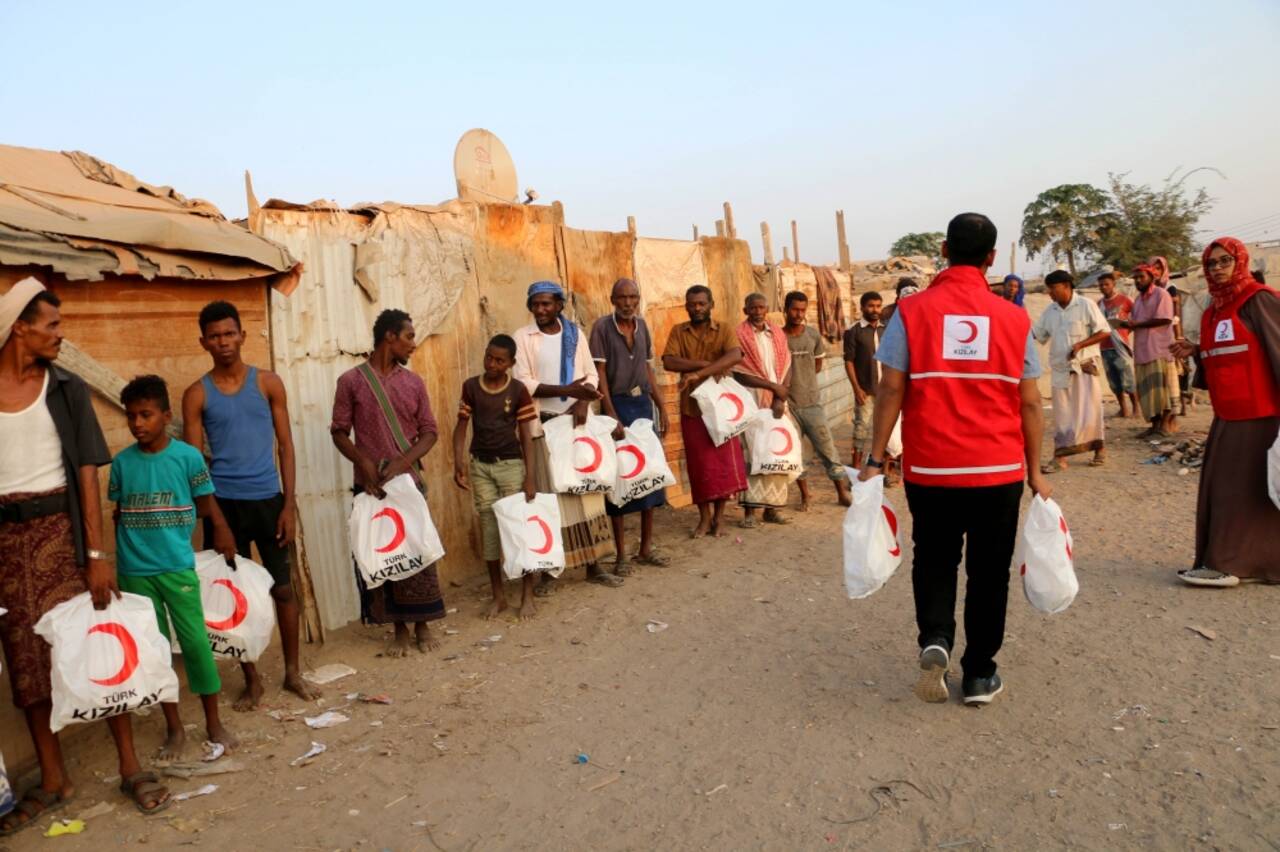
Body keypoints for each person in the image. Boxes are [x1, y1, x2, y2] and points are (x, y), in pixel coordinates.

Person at [859, 212, 1051, 707]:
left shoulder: (912, 312)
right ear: (991, 258)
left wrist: (876, 458)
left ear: (943, 250)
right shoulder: (1013, 318)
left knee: (936, 559)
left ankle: (936, 639)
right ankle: (980, 673)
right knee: (990, 571)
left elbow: (891, 388)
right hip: (998, 471)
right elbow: (1030, 401)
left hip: (933, 469)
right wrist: (1035, 471)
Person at [0, 280, 170, 833]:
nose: (60, 334)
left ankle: (129, 765)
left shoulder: (66, 387)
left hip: (59, 533)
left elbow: (88, 472)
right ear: (19, 327)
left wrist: (97, 555)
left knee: (98, 649)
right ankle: (53, 779)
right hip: (5, 545)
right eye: (51, 324)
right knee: (25, 664)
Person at [182, 301, 318, 711]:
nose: (223, 342)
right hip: (225, 507)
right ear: (204, 342)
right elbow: (194, 467)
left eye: (230, 333)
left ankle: (293, 672)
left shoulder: (268, 383)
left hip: (269, 502)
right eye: (215, 336)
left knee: (282, 588)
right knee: (235, 595)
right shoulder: (196, 394)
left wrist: (288, 505)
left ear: (242, 334)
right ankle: (252, 679)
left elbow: (286, 447)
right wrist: (217, 521)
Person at [110, 375, 238, 760]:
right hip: (135, 571)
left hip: (177, 567)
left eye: (145, 415)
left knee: (197, 643)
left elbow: (205, 503)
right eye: (131, 416)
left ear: (166, 415)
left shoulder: (188, 458)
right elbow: (118, 515)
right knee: (157, 649)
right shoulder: (121, 464)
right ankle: (174, 727)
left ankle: (213, 722)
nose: (137, 424)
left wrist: (221, 530)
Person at [330, 309, 446, 655]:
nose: (413, 344)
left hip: (406, 482)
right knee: (386, 553)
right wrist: (363, 463)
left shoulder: (414, 383)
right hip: (371, 484)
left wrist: (401, 463)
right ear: (389, 337)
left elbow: (430, 432)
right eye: (409, 337)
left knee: (418, 550)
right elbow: (338, 431)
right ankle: (398, 630)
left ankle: (423, 625)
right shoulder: (350, 381)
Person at [1172, 238, 1280, 588]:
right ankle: (1242, 561)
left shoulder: (1258, 299)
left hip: (1260, 417)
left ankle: (1231, 564)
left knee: (1245, 491)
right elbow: (1233, 351)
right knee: (1228, 489)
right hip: (1228, 417)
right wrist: (1197, 350)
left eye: (1224, 261)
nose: (1217, 268)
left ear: (1240, 262)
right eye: (1211, 263)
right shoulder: (1215, 309)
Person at [512, 282, 619, 593]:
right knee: (552, 498)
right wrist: (569, 391)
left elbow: (590, 375)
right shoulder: (523, 337)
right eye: (536, 304)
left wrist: (582, 401)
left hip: (576, 424)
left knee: (586, 493)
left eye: (547, 304)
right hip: (543, 428)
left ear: (559, 305)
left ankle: (594, 564)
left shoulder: (574, 334)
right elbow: (525, 385)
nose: (541, 310)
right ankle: (550, 571)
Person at [452, 334, 539, 618]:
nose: (492, 363)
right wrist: (459, 462)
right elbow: (462, 426)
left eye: (499, 360)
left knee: (517, 528)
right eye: (489, 357)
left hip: (511, 466)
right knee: (489, 530)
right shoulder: (471, 388)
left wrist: (530, 476)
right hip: (481, 467)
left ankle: (527, 595)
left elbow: (526, 435)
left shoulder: (518, 390)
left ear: (511, 363)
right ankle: (498, 596)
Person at [589, 278, 669, 573]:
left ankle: (646, 547)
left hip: (642, 405)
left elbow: (648, 369)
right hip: (618, 405)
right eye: (622, 297)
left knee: (649, 478)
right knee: (622, 480)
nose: (628, 303)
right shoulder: (601, 328)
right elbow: (599, 374)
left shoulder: (643, 325)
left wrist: (662, 406)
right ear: (612, 299)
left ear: (638, 299)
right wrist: (611, 416)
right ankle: (622, 555)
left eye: (633, 297)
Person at [661, 285, 746, 538]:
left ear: (711, 304)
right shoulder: (679, 331)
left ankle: (720, 518)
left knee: (722, 466)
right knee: (700, 467)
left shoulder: (724, 329)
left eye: (701, 303)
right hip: (693, 409)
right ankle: (704, 517)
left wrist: (698, 373)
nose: (697, 308)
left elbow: (735, 354)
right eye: (692, 304)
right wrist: (706, 364)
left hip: (722, 410)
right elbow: (669, 360)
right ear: (686, 306)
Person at [1032, 270, 1111, 471]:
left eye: (1053, 288)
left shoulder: (1086, 305)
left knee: (1090, 410)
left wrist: (1080, 345)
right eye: (1048, 289)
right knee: (1062, 414)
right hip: (1060, 369)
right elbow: (1037, 334)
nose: (1050, 293)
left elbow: (1104, 331)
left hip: (1084, 367)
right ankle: (1060, 458)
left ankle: (1099, 448)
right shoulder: (1050, 312)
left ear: (1066, 286)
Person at [782, 290, 851, 510]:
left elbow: (818, 365)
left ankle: (841, 493)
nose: (798, 314)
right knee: (797, 453)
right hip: (788, 406)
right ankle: (805, 496)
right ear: (786, 309)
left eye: (802, 310)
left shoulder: (812, 335)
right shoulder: (778, 338)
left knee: (828, 449)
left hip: (812, 403)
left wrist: (805, 380)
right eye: (794, 309)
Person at [733, 293, 794, 528]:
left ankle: (773, 509)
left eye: (761, 307)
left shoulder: (777, 333)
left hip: (777, 399)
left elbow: (788, 364)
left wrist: (781, 393)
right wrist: (771, 387)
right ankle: (749, 511)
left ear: (767, 309)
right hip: (752, 398)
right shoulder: (739, 334)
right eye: (753, 307)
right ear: (745, 309)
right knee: (752, 453)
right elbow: (738, 371)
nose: (758, 311)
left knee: (776, 451)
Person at [1120, 265, 1179, 437]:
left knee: (1162, 389)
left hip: (1159, 349)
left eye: (1141, 277)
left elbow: (1165, 319)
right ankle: (1154, 425)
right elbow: (1137, 321)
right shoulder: (1138, 300)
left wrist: (1137, 324)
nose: (1138, 280)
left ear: (1151, 277)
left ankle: (1165, 426)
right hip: (1142, 349)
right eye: (1135, 278)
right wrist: (1127, 325)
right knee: (1147, 390)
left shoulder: (1162, 295)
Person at [844, 291, 884, 470]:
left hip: (886, 390)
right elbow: (849, 361)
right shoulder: (854, 331)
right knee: (861, 430)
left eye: (878, 306)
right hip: (865, 390)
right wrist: (856, 389)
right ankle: (856, 468)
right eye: (870, 306)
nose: (875, 310)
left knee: (885, 431)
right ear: (862, 308)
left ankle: (883, 468)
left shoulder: (886, 330)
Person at [1151, 256, 1192, 414]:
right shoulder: (1150, 290)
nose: (1155, 272)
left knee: (1177, 369)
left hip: (1171, 333)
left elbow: (1175, 314)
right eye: (1153, 268)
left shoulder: (1170, 287)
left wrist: (1179, 335)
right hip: (1156, 336)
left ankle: (1181, 405)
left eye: (1158, 268)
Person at [1096, 271, 1140, 418]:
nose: (1103, 287)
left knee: (1128, 379)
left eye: (1106, 284)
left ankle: (1136, 408)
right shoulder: (1098, 304)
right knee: (1114, 382)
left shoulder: (1125, 300)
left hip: (1121, 346)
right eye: (1101, 285)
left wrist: (1125, 332)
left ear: (1113, 285)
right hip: (1104, 346)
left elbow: (1136, 320)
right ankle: (1123, 409)